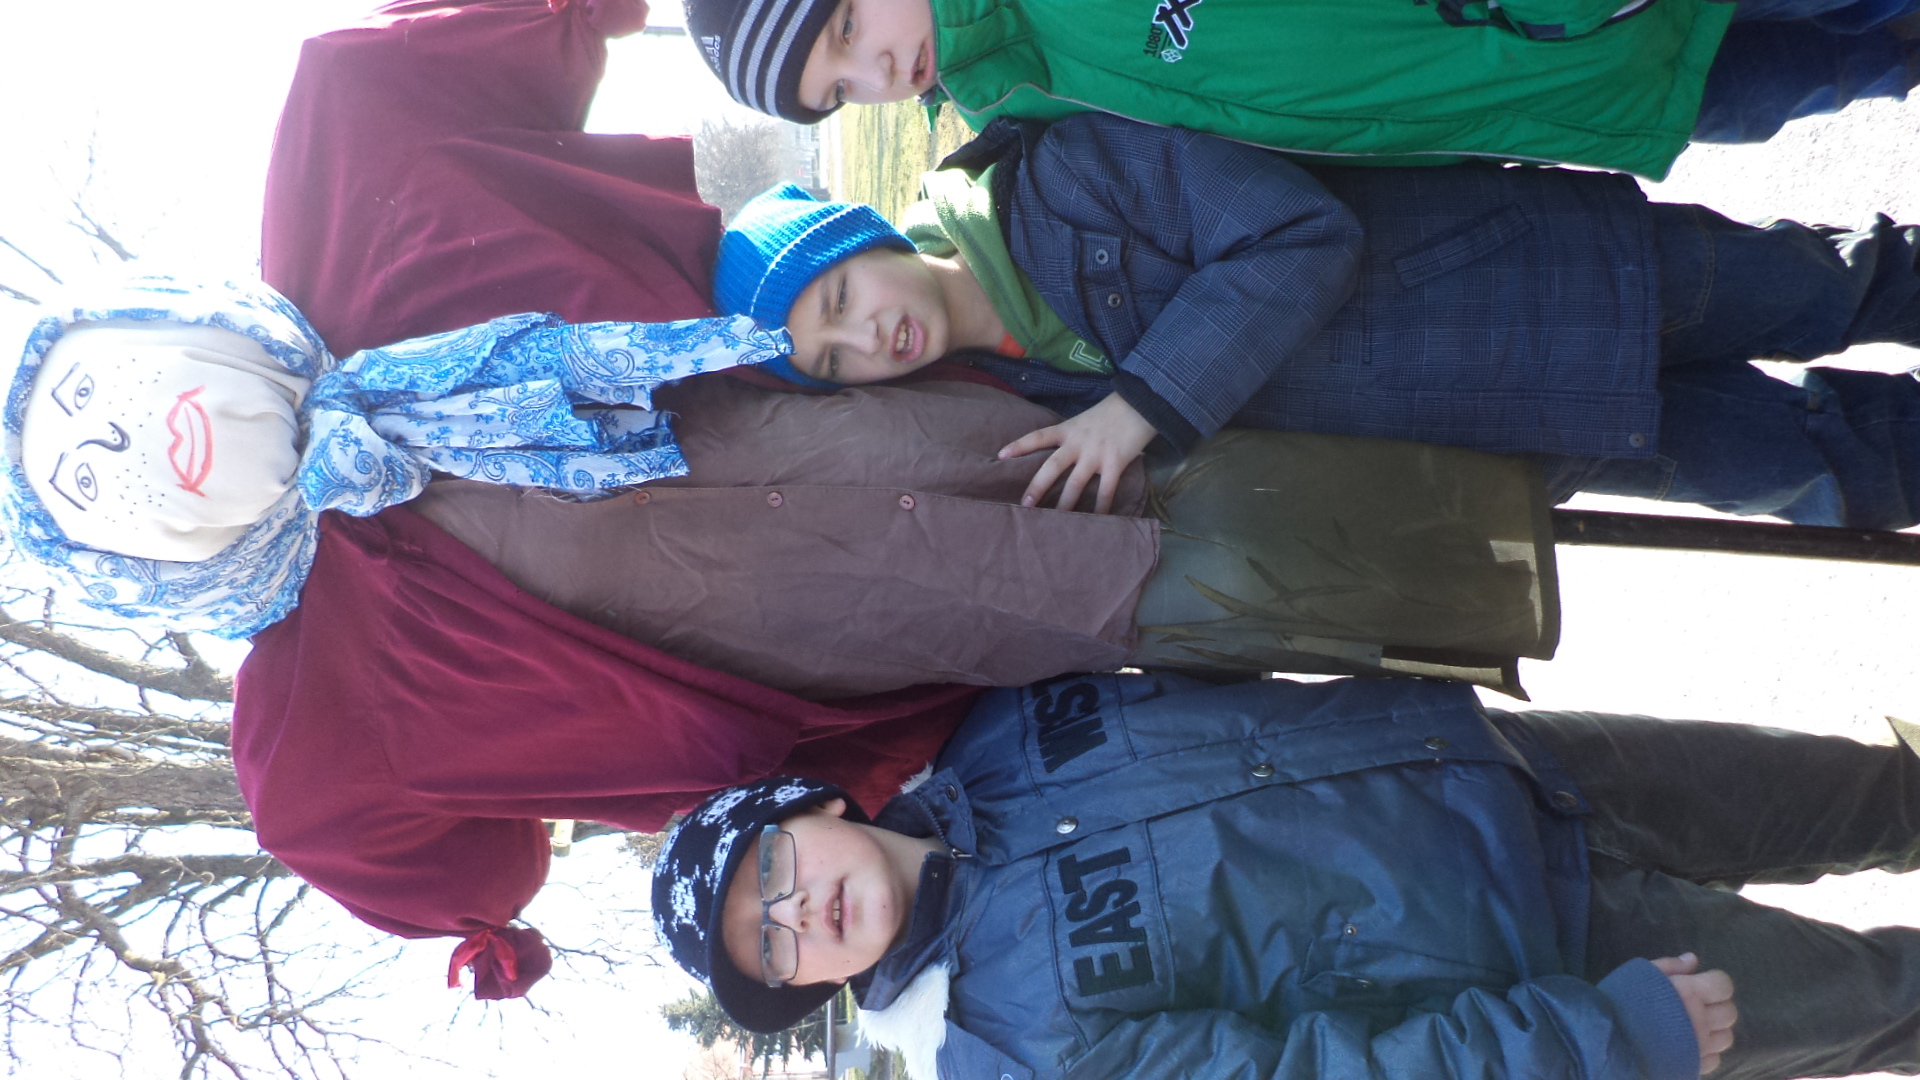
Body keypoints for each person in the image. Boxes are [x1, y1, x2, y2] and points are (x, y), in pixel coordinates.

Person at [652, 670, 1920, 1080]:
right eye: (773, 947)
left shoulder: (1005, 721)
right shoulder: (1016, 1052)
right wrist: (1604, 1040)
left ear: (812, 807)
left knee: (1874, 792)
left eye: (773, 869)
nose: (798, 913)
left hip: (1515, 763)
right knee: (1889, 997)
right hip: (1566, 959)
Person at [712, 114, 1920, 529]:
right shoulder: (1026, 408)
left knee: (1843, 284)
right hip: (1520, 424)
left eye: (840, 300)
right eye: (834, 362)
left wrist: (1143, 404)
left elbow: (1299, 235)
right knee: (1822, 473)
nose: (867, 341)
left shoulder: (1061, 175)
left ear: (865, 238)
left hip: (1541, 277)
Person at [680, 0, 1920, 179]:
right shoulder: (1029, 110)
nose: (876, 72)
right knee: (1858, 64)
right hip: (1567, 96)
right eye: (840, 90)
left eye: (847, 25)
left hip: (1560, 16)